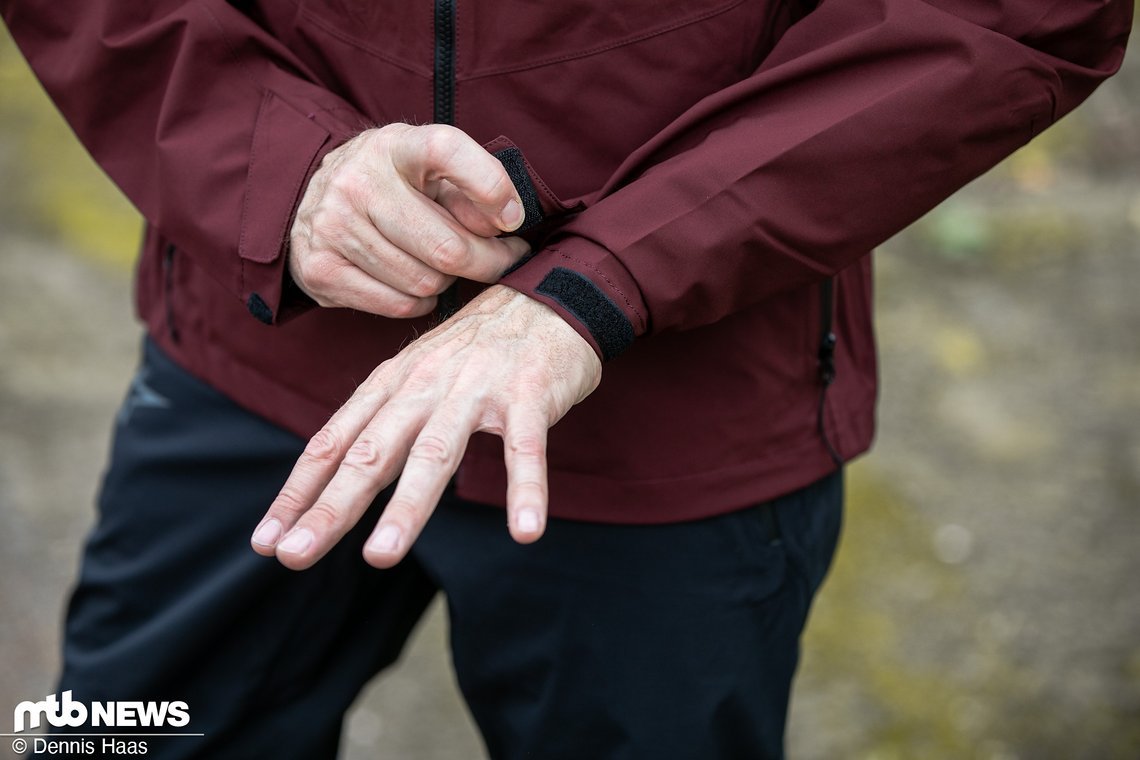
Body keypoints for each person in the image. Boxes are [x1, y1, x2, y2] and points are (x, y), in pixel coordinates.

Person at [3, 0, 1130, 757]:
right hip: (260, 353)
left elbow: (1010, 15)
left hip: (678, 409)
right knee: (116, 733)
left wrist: (616, 273)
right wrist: (280, 166)